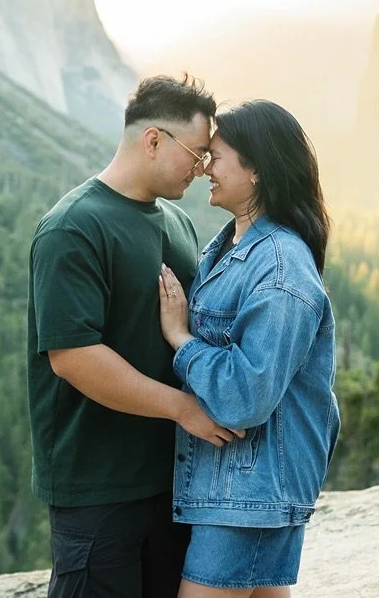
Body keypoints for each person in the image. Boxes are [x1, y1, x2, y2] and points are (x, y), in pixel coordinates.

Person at [28, 74, 244, 598]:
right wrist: (183, 408)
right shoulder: (73, 228)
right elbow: (74, 358)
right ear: (153, 140)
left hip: (174, 482)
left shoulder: (176, 222)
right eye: (195, 155)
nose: (201, 170)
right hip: (98, 488)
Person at [156, 99, 339, 598]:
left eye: (216, 156)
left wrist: (182, 339)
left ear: (256, 170)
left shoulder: (280, 267)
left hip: (251, 492)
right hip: (237, 488)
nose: (205, 168)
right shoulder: (233, 246)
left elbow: (247, 396)